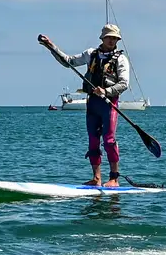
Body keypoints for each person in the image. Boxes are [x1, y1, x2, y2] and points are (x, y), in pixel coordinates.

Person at [37, 23, 131, 187]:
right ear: (102, 38)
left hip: (109, 103)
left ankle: (114, 178)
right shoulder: (91, 54)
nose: (112, 40)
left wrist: (107, 91)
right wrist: (50, 46)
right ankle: (96, 178)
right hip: (93, 103)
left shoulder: (121, 59)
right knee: (93, 141)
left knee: (109, 140)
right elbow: (68, 62)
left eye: (115, 38)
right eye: (109, 37)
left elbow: (124, 84)